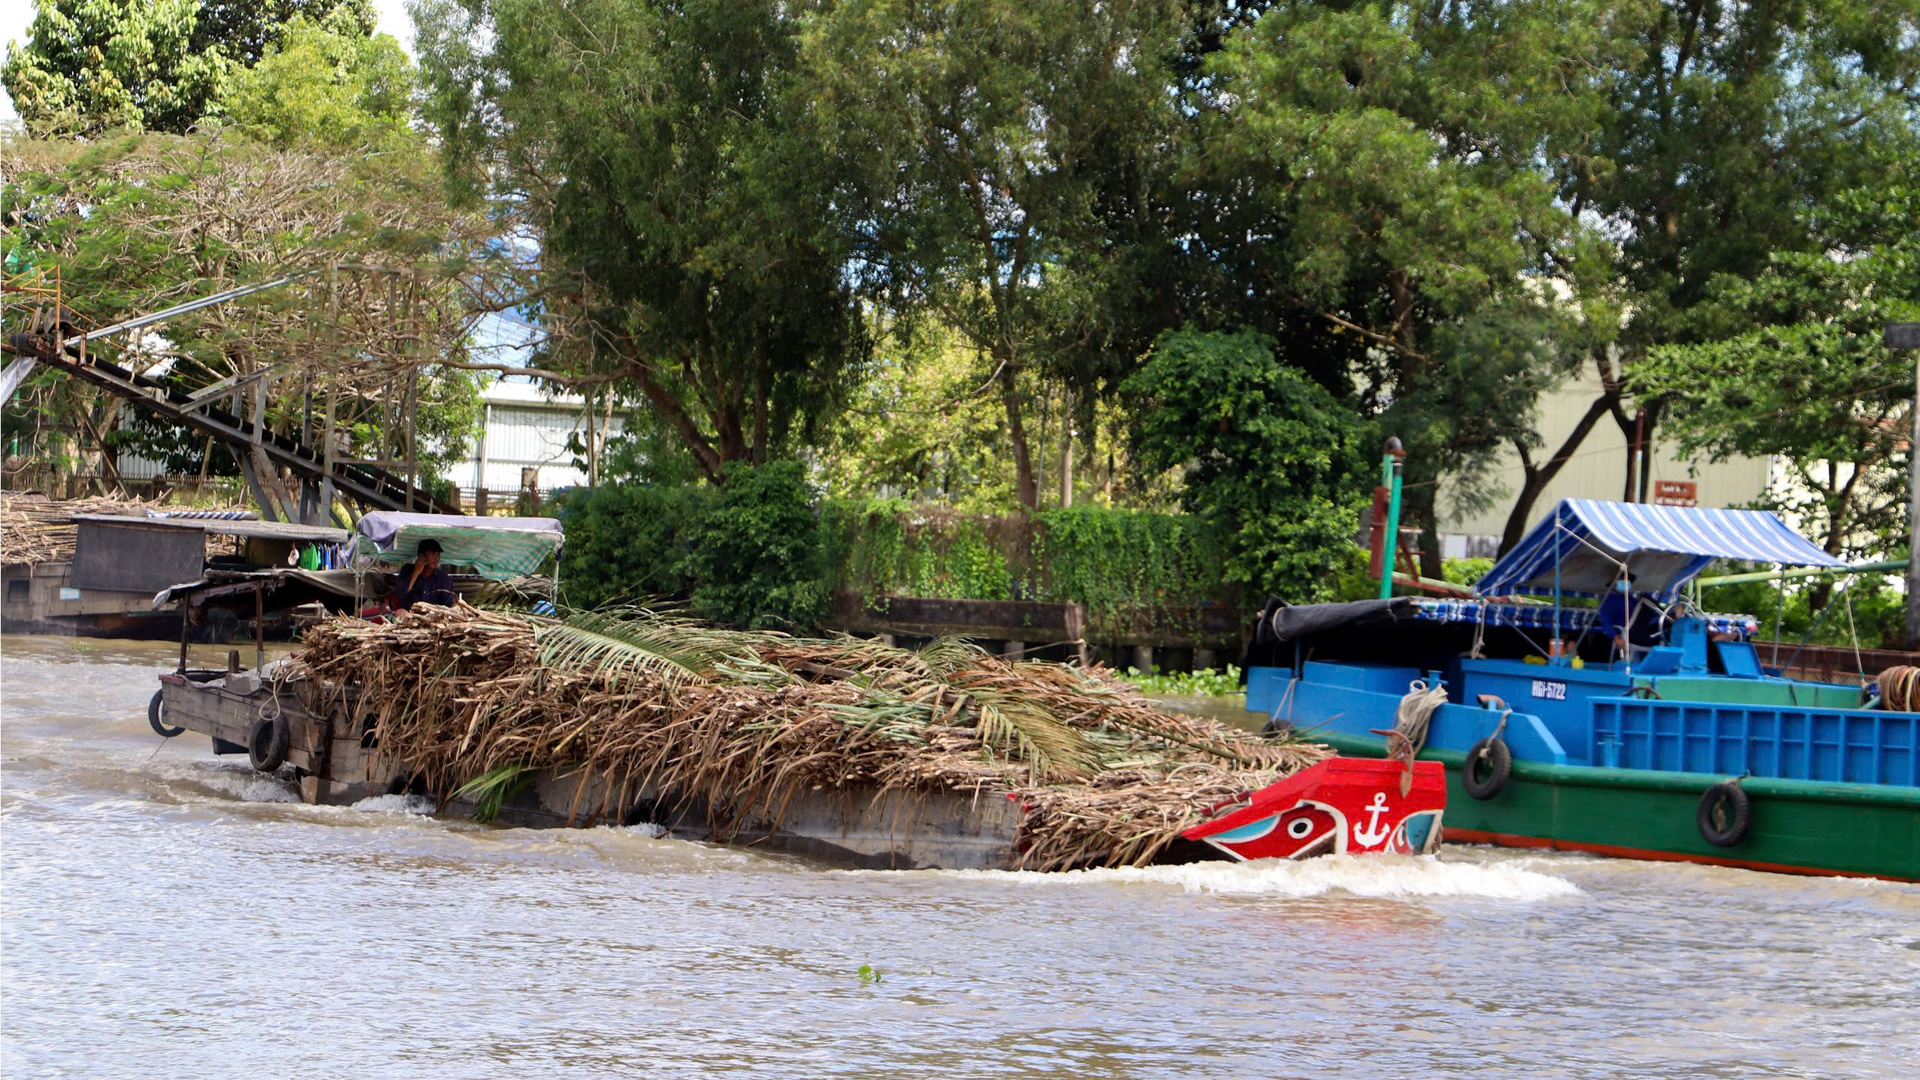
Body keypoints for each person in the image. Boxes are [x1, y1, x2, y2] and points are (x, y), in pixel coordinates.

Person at [1597, 572, 1659, 660]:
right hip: (1625, 635)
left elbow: (1649, 616)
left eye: (1627, 580)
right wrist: (1615, 636)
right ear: (1615, 582)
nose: (1625, 582)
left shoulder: (1633, 600)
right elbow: (1605, 621)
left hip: (1641, 633)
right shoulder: (1608, 601)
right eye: (1622, 580)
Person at [393, 538, 457, 610]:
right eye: (432, 554)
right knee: (401, 613)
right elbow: (401, 595)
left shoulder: (443, 577)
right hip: (410, 613)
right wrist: (416, 573)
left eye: (438, 555)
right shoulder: (407, 570)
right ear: (421, 555)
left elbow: (449, 602)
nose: (436, 558)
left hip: (434, 615)